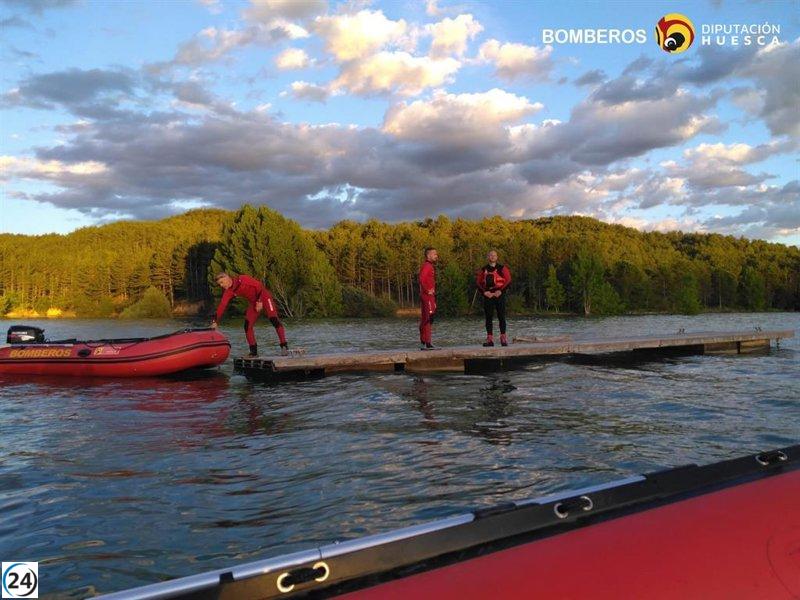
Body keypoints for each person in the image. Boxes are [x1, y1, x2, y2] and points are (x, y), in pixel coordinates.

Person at [211, 272, 288, 357]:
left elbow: (260, 286)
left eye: (222, 282)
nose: (221, 285)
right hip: (253, 303)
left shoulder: (242, 279)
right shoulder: (229, 291)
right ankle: (253, 352)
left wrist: (259, 301)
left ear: (227, 277)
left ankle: (284, 346)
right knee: (247, 326)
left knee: (274, 320)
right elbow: (222, 306)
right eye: (219, 284)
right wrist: (215, 321)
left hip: (264, 297)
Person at [476, 250, 512, 347]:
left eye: (494, 255)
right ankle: (490, 340)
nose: (492, 257)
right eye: (490, 255)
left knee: (501, 316)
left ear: (497, 257)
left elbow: (508, 280)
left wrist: (500, 291)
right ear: (488, 257)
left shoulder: (502, 268)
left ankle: (503, 338)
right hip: (488, 295)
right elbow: (478, 283)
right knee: (488, 317)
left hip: (499, 294)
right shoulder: (483, 269)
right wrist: (485, 292)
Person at [418, 247, 438, 350]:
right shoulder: (427, 266)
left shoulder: (430, 266)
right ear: (428, 255)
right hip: (427, 296)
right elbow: (421, 278)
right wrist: (427, 290)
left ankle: (425, 341)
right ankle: (427, 343)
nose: (436, 256)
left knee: (429, 318)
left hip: (430, 296)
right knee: (428, 318)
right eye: (434, 254)